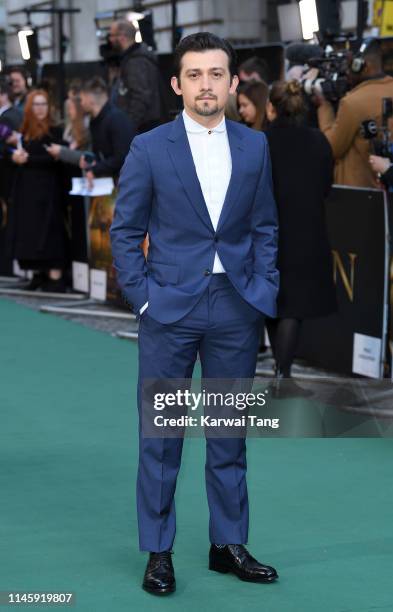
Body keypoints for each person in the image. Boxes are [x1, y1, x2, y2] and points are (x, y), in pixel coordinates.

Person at [110, 32, 279, 595]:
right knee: (162, 436)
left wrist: (262, 287)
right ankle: (159, 551)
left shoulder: (255, 147)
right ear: (177, 84)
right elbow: (126, 230)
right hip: (169, 310)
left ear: (233, 84)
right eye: (194, 75)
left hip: (236, 307)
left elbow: (264, 227)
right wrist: (144, 297)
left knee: (229, 433)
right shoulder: (149, 147)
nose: (205, 85)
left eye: (216, 74)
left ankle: (227, 543)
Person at [265, 80, 337, 379]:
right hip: (306, 231)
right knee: (293, 307)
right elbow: (325, 186)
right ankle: (283, 371)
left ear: (272, 108)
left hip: (267, 231)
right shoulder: (318, 141)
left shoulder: (260, 142)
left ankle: (281, 370)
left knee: (273, 302)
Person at [6, 89, 67, 292]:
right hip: (28, 190)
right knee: (31, 232)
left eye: (44, 104)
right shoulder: (25, 132)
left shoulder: (56, 130)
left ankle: (55, 277)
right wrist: (15, 156)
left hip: (49, 189)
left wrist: (28, 159)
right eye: (36, 104)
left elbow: (56, 158)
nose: (40, 109)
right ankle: (38, 273)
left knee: (50, 231)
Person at [317, 38, 393, 187]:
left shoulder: (352, 102)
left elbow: (332, 147)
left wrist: (323, 106)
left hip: (362, 193)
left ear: (363, 66)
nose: (348, 70)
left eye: (351, 64)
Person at [78, 77, 136, 188]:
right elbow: (101, 154)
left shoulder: (116, 119)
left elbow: (122, 157)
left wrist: (95, 169)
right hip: (109, 185)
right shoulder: (95, 121)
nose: (81, 103)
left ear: (90, 98)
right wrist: (89, 160)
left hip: (124, 185)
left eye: (82, 99)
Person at [109, 19, 163, 133]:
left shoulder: (136, 61)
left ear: (122, 36)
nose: (110, 40)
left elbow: (141, 97)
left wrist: (128, 126)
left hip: (142, 128)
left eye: (112, 35)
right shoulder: (130, 58)